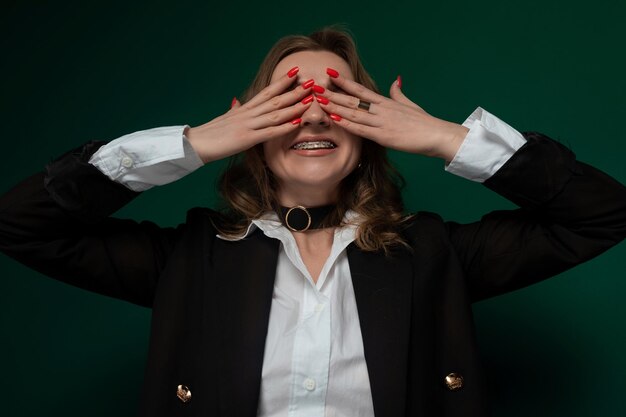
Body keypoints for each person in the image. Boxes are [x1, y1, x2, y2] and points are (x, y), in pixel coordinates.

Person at [1, 27, 625, 417]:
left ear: (367, 126)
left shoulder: (433, 252)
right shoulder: (192, 258)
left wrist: (446, 138)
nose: (315, 118)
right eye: (292, 100)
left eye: (336, 99)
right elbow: (21, 224)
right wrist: (191, 143)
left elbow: (601, 214)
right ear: (251, 129)